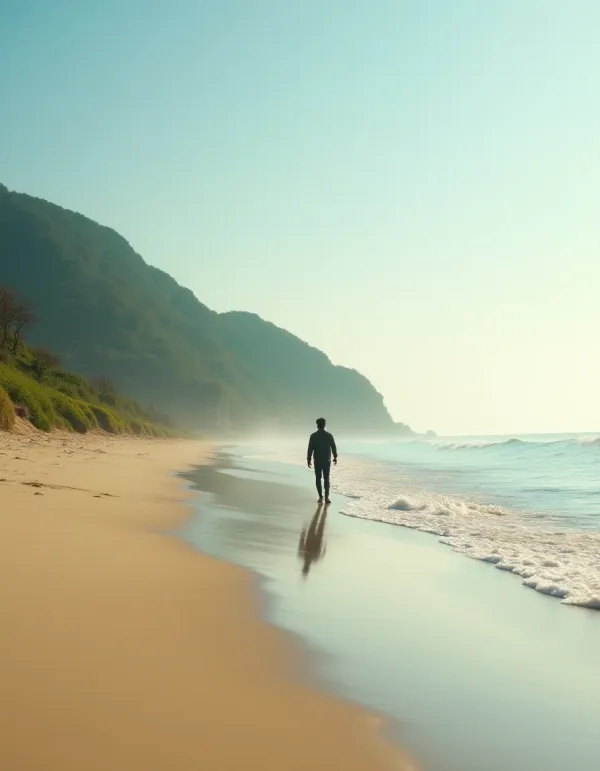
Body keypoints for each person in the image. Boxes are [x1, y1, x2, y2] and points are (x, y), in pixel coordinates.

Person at [306, 417, 337, 504]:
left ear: (317, 425)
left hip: (317, 460)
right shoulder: (329, 435)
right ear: (324, 425)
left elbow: (310, 449)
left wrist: (308, 459)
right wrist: (335, 457)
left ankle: (320, 497)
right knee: (326, 478)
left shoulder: (313, 436)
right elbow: (333, 446)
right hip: (326, 460)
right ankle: (327, 498)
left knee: (318, 478)